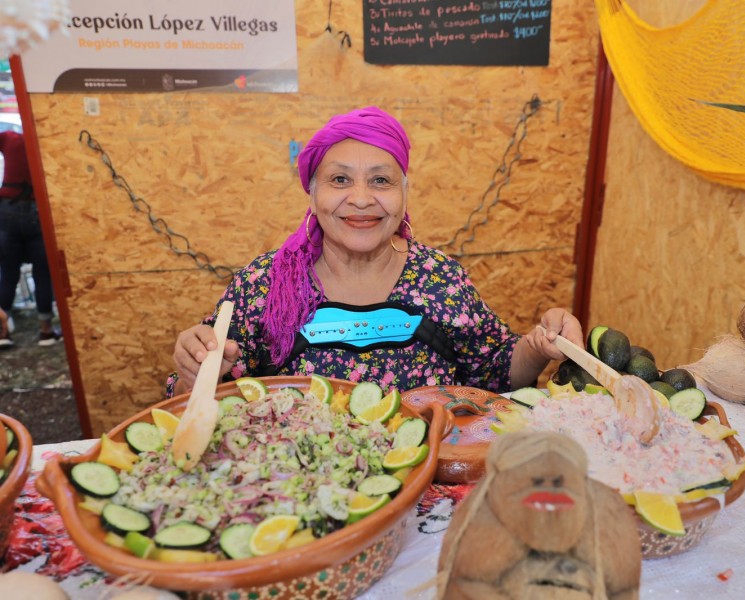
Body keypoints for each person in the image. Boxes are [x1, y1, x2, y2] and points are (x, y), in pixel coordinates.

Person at [169, 107, 583, 397]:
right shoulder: (265, 284)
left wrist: (537, 345)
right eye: (340, 180)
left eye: (381, 181)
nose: (362, 199)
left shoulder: (440, 278)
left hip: (429, 486)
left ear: (404, 195)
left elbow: (495, 373)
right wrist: (195, 370)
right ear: (312, 195)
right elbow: (203, 396)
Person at [0, 130, 61, 348]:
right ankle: (46, 332)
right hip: (37, 209)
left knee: (8, 272)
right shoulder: (46, 139)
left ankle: (2, 332)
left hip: (8, 209)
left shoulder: (8, 137)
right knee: (42, 273)